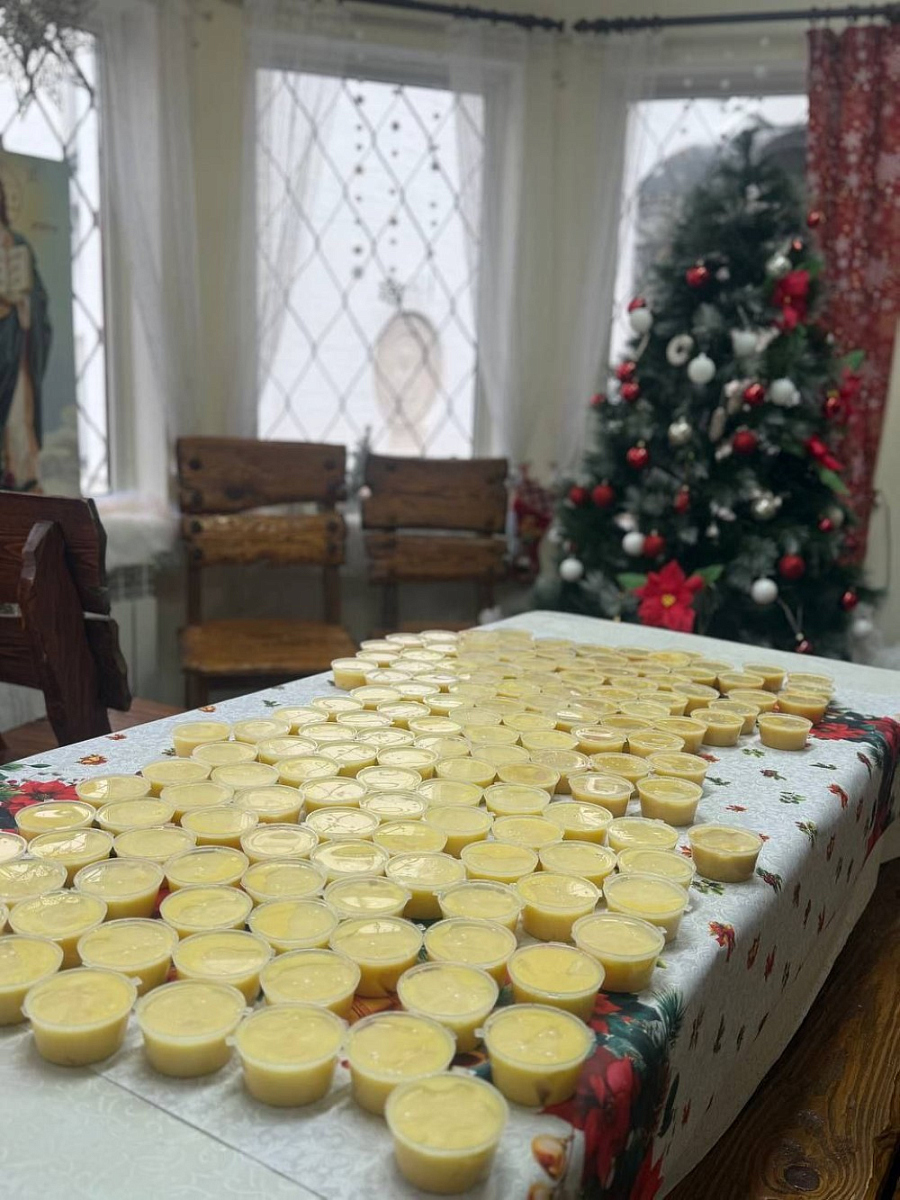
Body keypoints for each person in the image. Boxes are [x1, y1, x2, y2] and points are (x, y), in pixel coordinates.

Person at [0, 175, 51, 491]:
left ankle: (19, 474)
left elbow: (39, 296)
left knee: (18, 411)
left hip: (15, 340)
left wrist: (23, 300)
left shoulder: (19, 244)